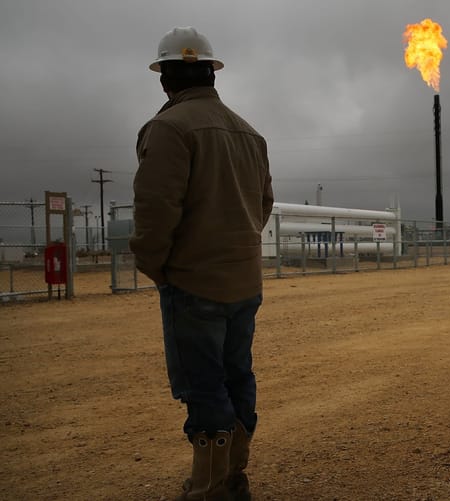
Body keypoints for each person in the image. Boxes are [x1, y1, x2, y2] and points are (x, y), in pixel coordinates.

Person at [130, 26, 274, 501]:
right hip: (243, 280)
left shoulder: (168, 128)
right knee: (238, 374)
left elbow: (156, 211)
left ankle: (208, 487)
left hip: (194, 284)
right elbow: (263, 205)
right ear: (212, 73)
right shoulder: (249, 133)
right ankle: (234, 477)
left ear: (165, 78)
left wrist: (158, 267)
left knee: (204, 383)